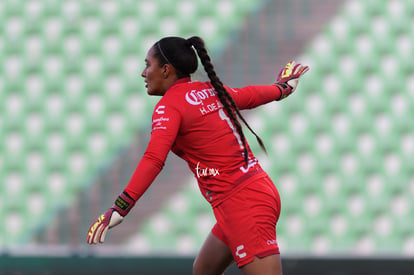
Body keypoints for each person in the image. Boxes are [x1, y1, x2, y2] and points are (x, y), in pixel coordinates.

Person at [86, 36, 309, 275]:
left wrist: (120, 207)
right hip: (253, 192)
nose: (143, 73)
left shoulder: (169, 106)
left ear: (165, 69)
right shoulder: (208, 90)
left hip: (243, 204)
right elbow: (249, 96)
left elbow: (153, 159)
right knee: (204, 269)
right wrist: (282, 89)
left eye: (147, 65)